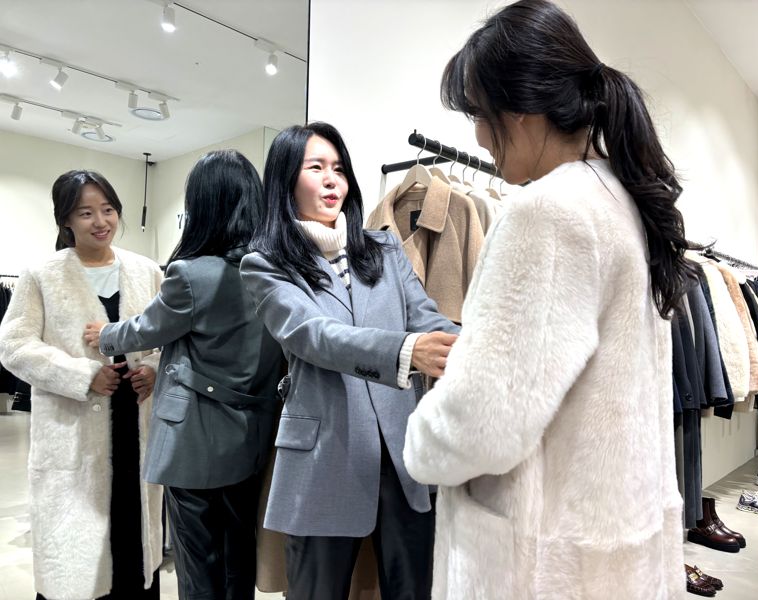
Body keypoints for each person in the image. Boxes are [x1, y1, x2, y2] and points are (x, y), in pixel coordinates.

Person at [403, 1, 698, 598]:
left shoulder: (546, 214)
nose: (478, 136)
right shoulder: (622, 203)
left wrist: (420, 441)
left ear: (520, 109)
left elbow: (484, 422)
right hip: (612, 551)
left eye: (479, 114)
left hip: (539, 568)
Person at [239, 122, 459, 600]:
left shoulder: (383, 249)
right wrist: (405, 350)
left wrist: (481, 345)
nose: (331, 179)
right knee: (317, 591)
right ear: (285, 180)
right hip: (324, 454)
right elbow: (314, 335)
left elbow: (427, 318)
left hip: (403, 456)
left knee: (415, 589)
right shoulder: (265, 263)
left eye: (338, 168)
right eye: (316, 167)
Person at [84, 149, 284, 600]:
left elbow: (148, 328)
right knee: (238, 556)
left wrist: (106, 335)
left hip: (194, 440)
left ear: (203, 206)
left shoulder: (192, 274)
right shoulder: (273, 274)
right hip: (252, 436)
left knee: (198, 565)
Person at [0, 170, 163, 600]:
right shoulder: (41, 275)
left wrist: (154, 368)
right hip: (72, 431)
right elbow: (13, 346)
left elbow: (172, 339)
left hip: (136, 421)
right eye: (86, 213)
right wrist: (82, 375)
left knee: (134, 544)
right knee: (76, 557)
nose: (101, 222)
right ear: (66, 221)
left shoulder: (147, 271)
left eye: (108, 210)